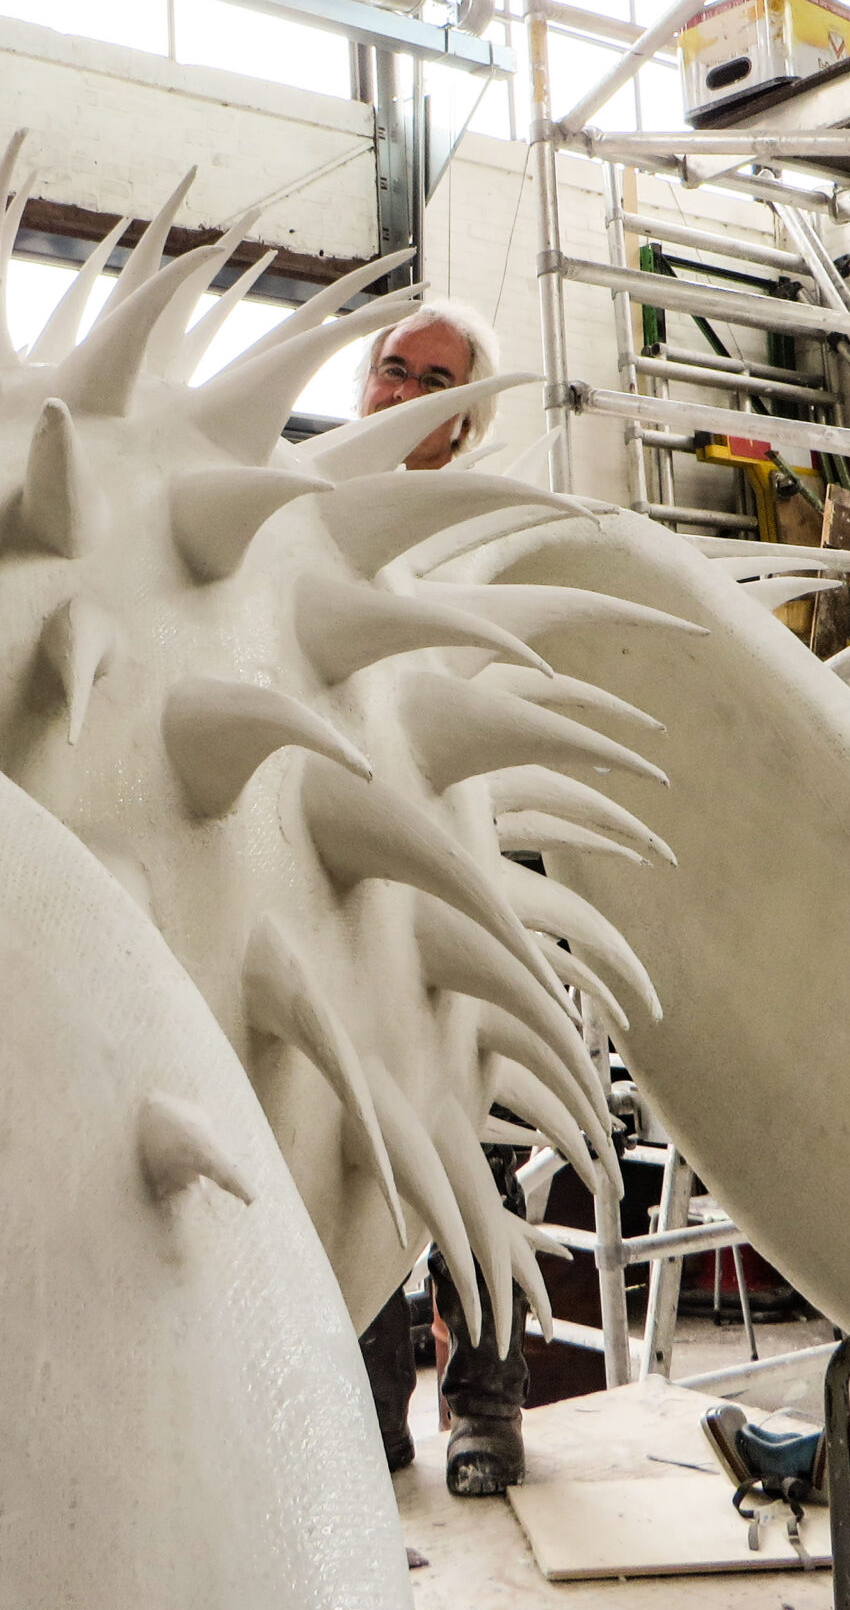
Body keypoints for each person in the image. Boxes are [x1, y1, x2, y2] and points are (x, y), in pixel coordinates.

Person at [346, 298, 532, 1498]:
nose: (405, 391)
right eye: (393, 368)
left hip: (469, 874)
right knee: (346, 1133)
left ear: (465, 417)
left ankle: (488, 1404)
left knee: (474, 1142)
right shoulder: (300, 510)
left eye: (434, 381)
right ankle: (367, 1410)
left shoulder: (480, 537)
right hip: (338, 870)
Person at [354, 299, 498, 471]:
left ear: (466, 422)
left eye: (435, 382)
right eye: (394, 372)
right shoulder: (324, 483)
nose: (406, 395)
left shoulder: (489, 490)